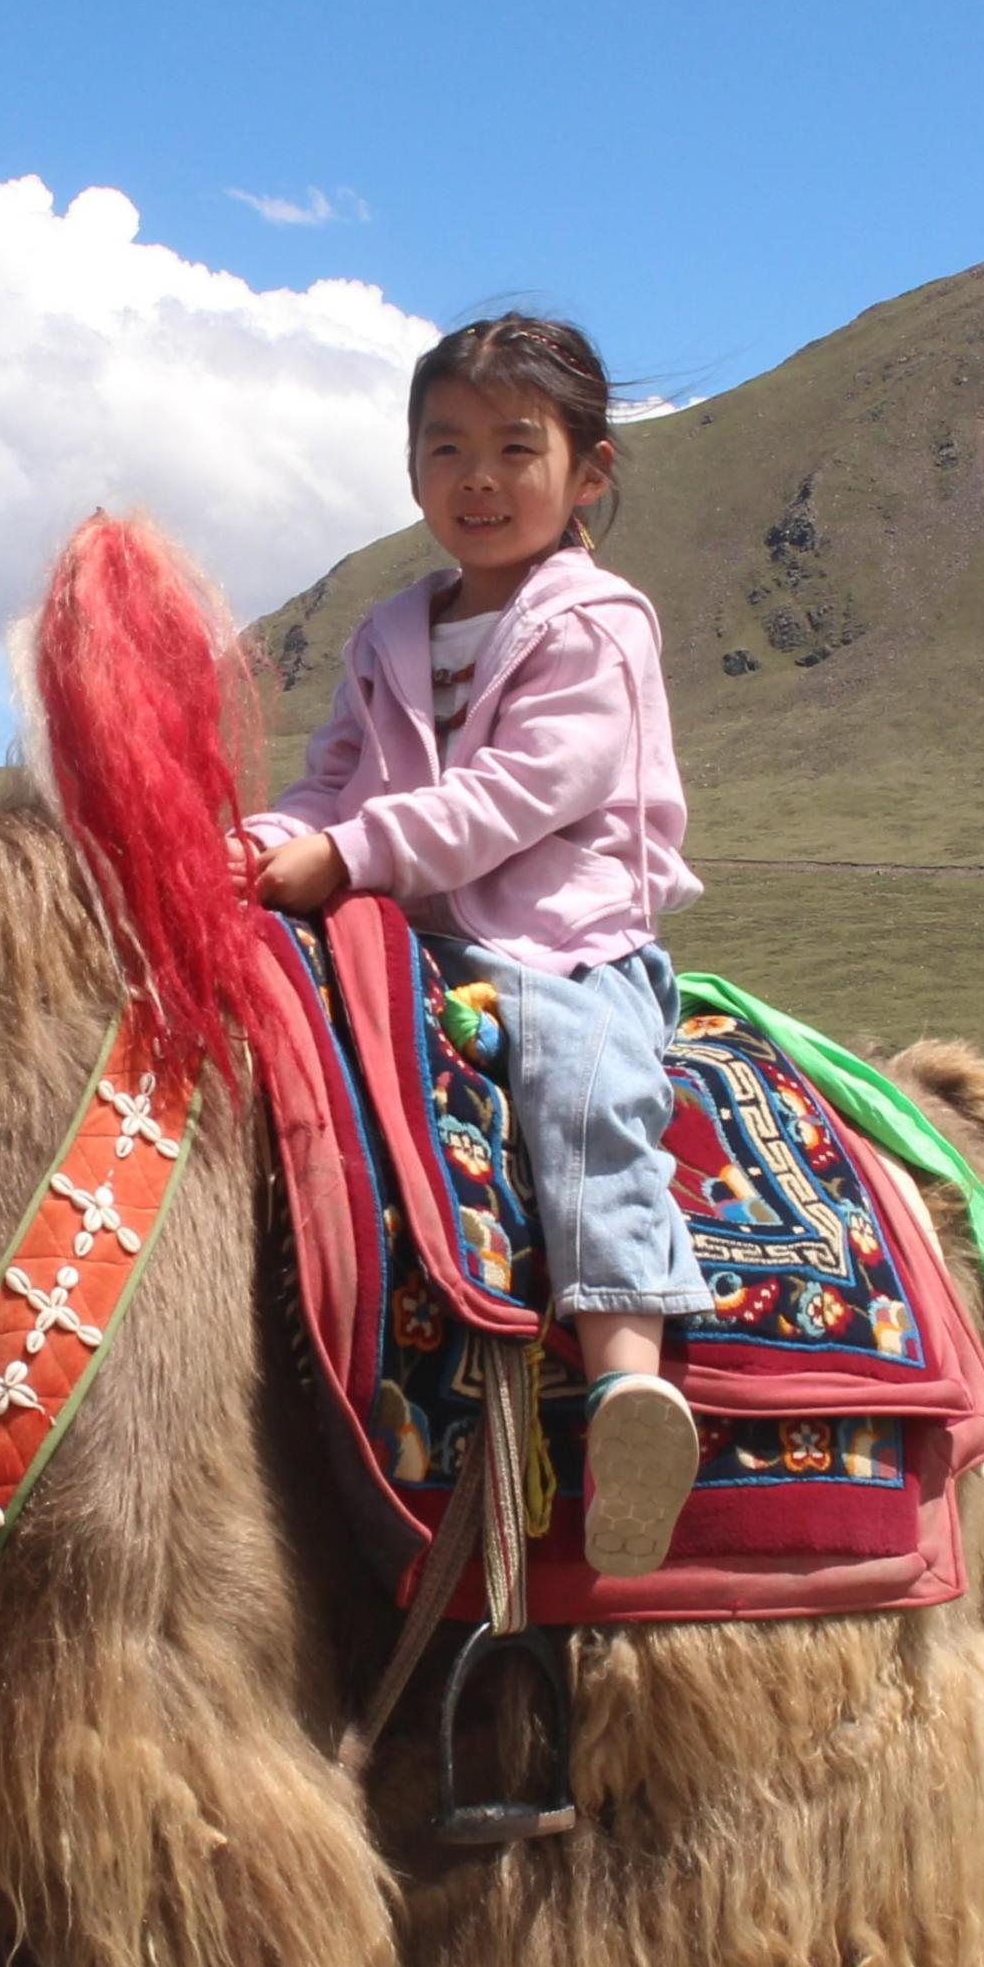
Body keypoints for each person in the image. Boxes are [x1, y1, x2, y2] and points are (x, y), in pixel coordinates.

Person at [237, 315, 708, 1578]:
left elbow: (523, 790)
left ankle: (624, 1383)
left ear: (589, 472)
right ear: (411, 471)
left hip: (562, 938)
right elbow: (332, 778)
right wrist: (262, 840)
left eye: (516, 446)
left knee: (583, 1085)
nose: (480, 478)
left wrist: (347, 855)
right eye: (447, 447)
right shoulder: (389, 632)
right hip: (407, 936)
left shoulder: (595, 625)